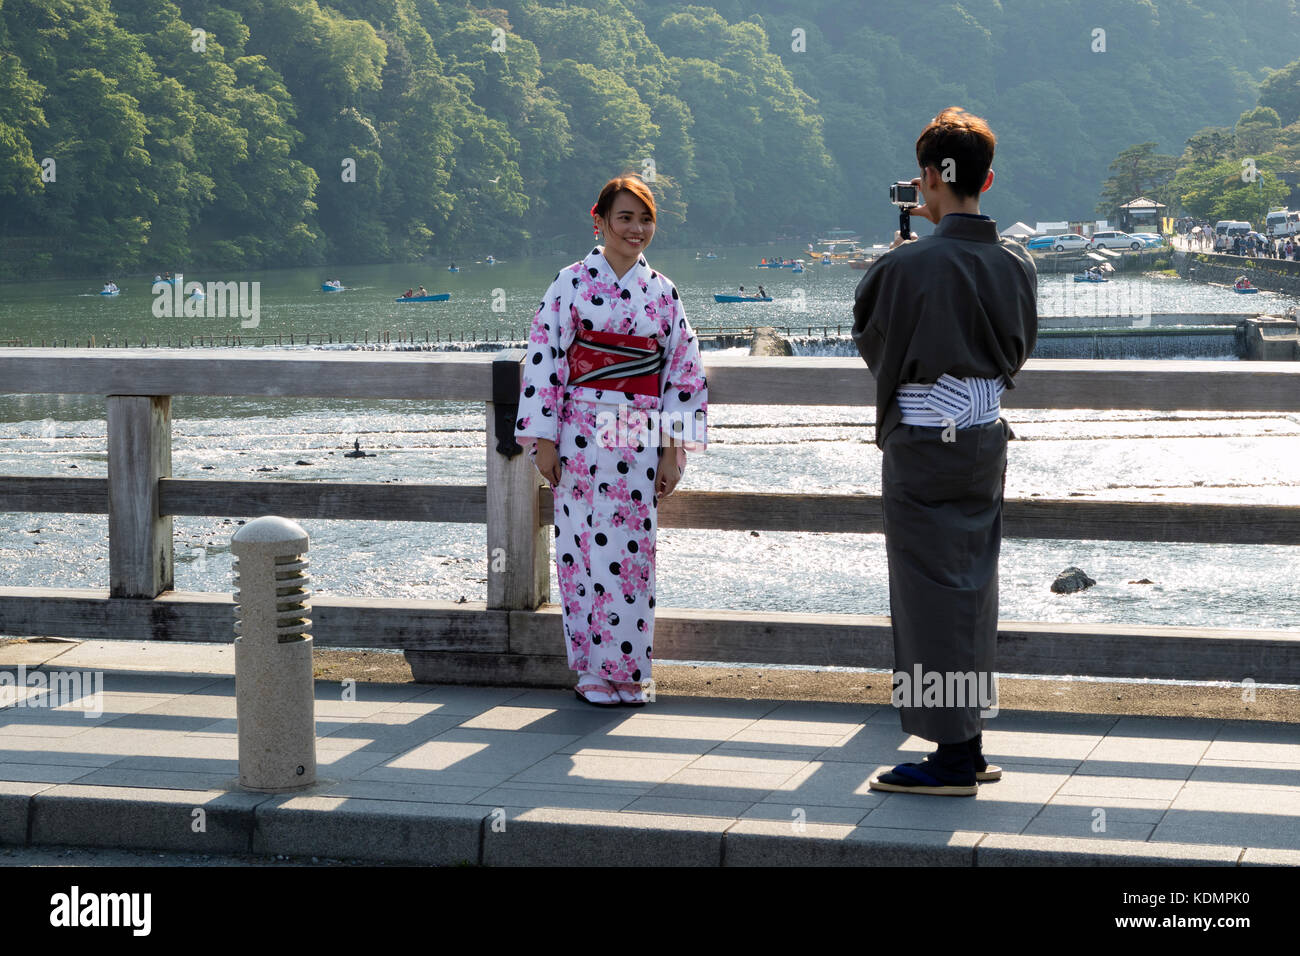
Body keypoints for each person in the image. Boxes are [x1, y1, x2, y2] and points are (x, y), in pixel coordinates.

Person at [851, 107, 1037, 796]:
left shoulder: (907, 264)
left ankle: (953, 758)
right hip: (984, 440)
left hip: (926, 444)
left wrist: (901, 255)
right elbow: (1017, 349)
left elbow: (874, 340)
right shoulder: (1015, 262)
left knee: (928, 598)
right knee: (970, 590)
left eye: (924, 180)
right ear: (986, 179)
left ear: (930, 178)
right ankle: (970, 740)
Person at [515, 175, 708, 707]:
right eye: (625, 218)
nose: (636, 229)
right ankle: (593, 672)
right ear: (599, 220)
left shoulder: (663, 292)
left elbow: (682, 374)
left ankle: (630, 670)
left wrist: (673, 449)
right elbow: (544, 359)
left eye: (645, 219)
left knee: (630, 550)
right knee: (580, 548)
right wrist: (544, 440)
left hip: (637, 430)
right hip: (578, 427)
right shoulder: (570, 283)